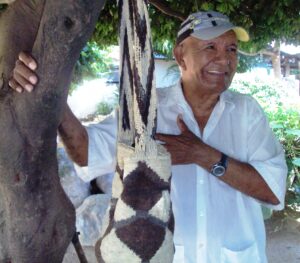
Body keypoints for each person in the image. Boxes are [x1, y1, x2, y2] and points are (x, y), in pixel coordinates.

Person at [10, 11, 287, 263]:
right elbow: (85, 151)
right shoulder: (144, 110)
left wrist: (202, 154)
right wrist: (47, 87)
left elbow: (273, 192)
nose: (224, 59)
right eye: (210, 47)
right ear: (180, 56)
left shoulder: (247, 112)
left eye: (232, 49)